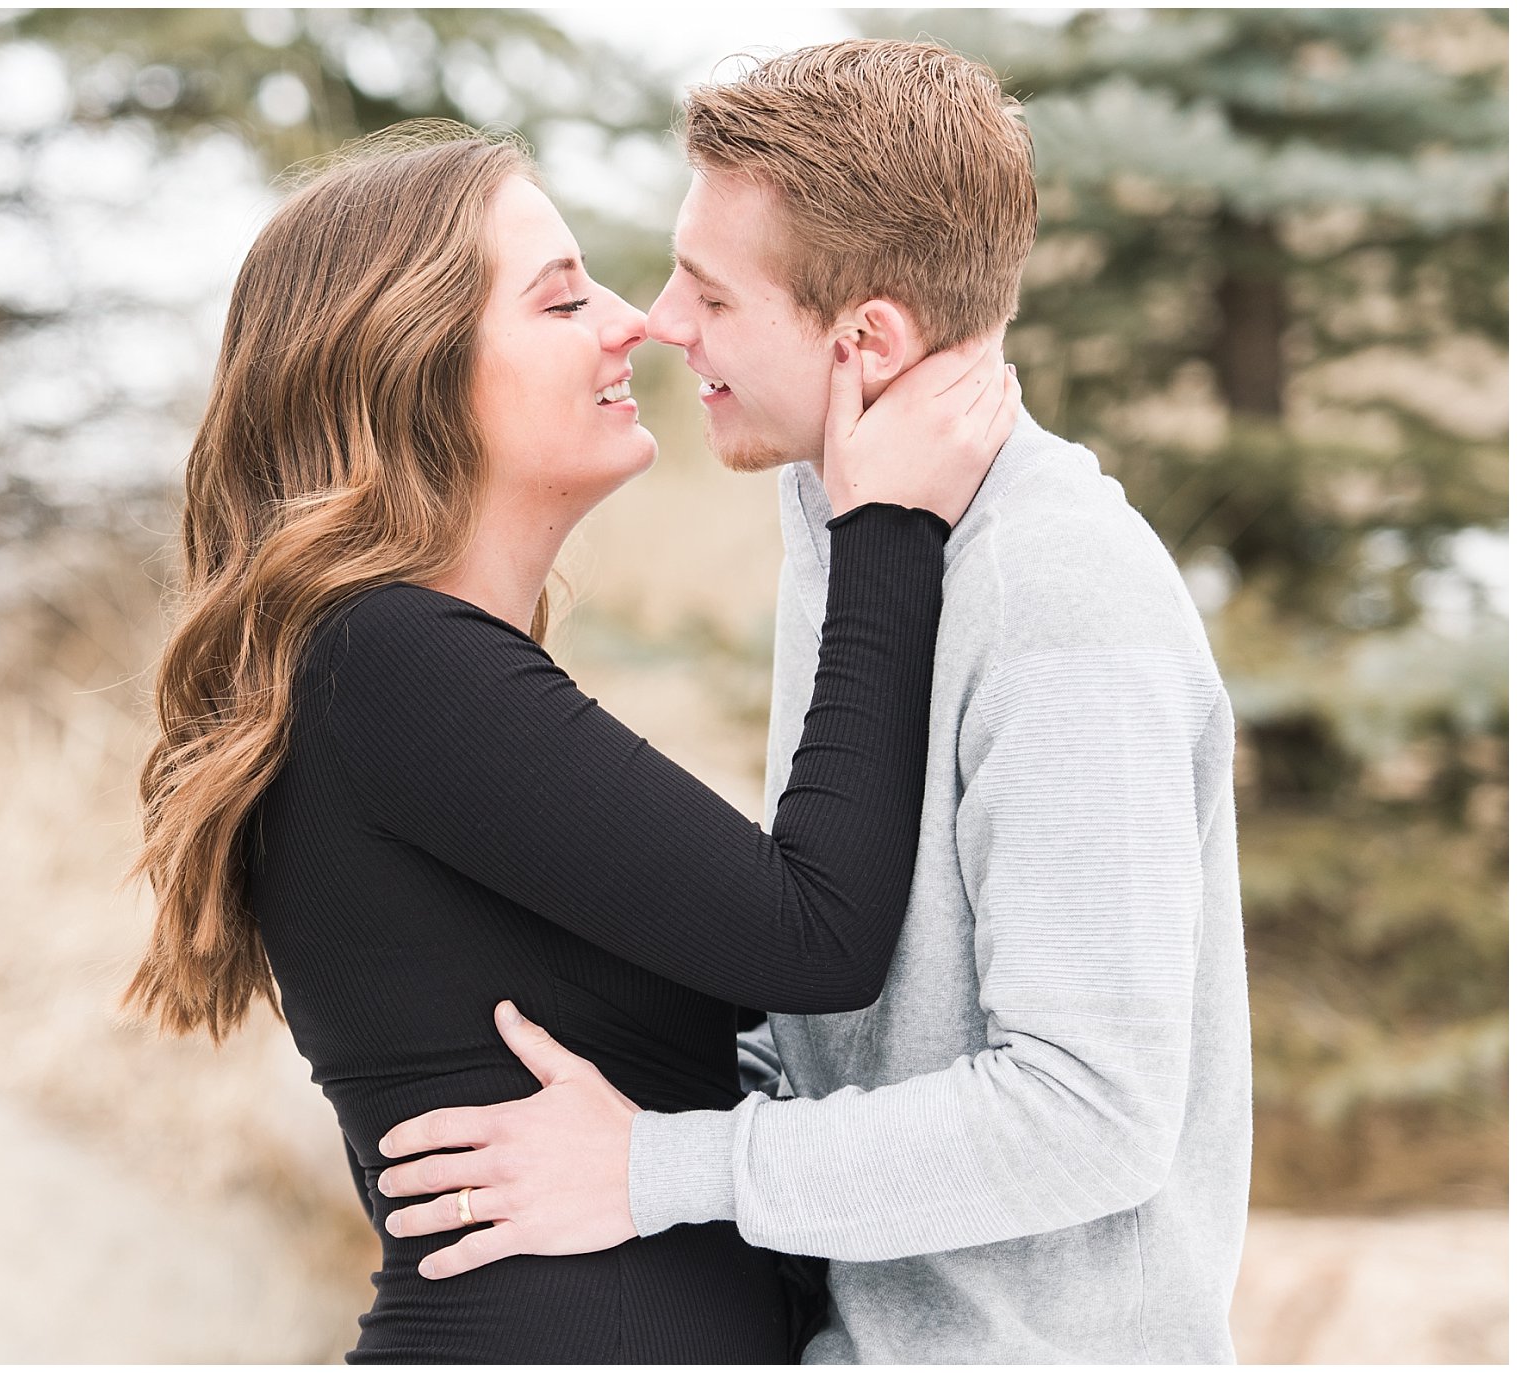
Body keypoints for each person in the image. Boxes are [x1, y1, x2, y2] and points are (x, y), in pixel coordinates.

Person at [374, 42, 1253, 1365]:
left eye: (713, 294)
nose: (662, 320)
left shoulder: (1055, 593)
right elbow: (858, 1010)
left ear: (867, 343)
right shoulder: (842, 518)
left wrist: (657, 1166)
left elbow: (1088, 1112)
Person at [120, 122, 1018, 1363]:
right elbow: (813, 934)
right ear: (415, 367)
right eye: (560, 301)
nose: (632, 323)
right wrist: (883, 530)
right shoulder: (389, 665)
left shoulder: (399, 673)